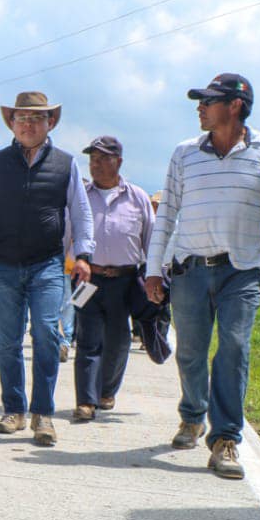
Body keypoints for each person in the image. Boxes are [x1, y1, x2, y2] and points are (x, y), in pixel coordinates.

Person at [145, 73, 260, 479]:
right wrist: (155, 269)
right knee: (190, 351)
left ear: (235, 106)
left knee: (235, 349)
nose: (199, 108)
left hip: (240, 271)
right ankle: (193, 415)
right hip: (189, 269)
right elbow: (166, 214)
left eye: (208, 101)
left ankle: (225, 439)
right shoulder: (184, 153)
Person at [0, 91, 94, 446]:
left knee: (48, 334)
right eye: (22, 118)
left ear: (50, 123)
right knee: (8, 342)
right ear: (12, 123)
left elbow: (81, 213)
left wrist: (83, 254)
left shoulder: (66, 164)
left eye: (37, 118)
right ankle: (14, 410)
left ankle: (43, 413)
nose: (29, 124)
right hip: (2, 265)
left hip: (47, 265)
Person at [72, 136, 154, 421]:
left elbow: (151, 242)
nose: (95, 164)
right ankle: (86, 400)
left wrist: (156, 277)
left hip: (125, 280)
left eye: (102, 158)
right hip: (87, 279)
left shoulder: (137, 197)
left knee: (118, 341)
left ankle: (106, 391)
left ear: (118, 161)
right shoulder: (80, 196)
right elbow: (66, 237)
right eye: (92, 159)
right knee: (86, 339)